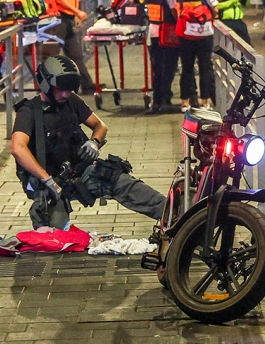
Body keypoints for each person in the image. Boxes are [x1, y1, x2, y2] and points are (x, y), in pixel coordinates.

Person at [11, 56, 165, 229]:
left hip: (80, 173)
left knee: (117, 179)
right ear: (46, 85)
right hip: (50, 184)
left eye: (69, 90)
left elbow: (100, 126)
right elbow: (18, 148)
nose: (65, 94)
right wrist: (47, 180)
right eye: (60, 89)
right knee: (54, 235)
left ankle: (173, 213)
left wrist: (94, 142)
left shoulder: (71, 100)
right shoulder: (29, 111)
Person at [168, 0, 218, 109]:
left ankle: (185, 102)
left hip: (185, 35)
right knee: (205, 68)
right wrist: (211, 18)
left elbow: (172, 9)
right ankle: (205, 102)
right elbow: (215, 7)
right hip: (204, 34)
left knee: (187, 69)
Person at [45, 0, 94, 94]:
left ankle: (87, 85)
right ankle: (47, 87)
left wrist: (74, 15)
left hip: (67, 20)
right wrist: (77, 12)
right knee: (51, 55)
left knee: (75, 55)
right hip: (57, 22)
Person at [143, 0, 181, 113]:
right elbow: (173, 10)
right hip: (167, 32)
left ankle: (157, 101)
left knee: (157, 69)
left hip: (153, 32)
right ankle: (165, 100)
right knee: (169, 68)